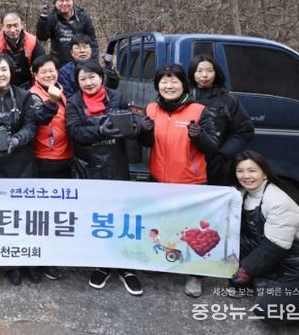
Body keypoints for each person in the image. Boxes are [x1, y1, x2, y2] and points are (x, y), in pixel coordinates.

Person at [137, 64, 219, 297]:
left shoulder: (199, 111)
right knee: (162, 227)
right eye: (164, 81)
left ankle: (195, 274)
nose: (168, 85)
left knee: (193, 232)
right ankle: (160, 261)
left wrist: (200, 136)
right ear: (157, 86)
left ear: (184, 84)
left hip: (190, 183)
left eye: (174, 81)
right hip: (158, 180)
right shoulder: (152, 108)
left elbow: (213, 147)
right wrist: (144, 131)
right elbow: (145, 143)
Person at [230, 151, 299, 335]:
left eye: (252, 170)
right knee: (231, 245)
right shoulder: (244, 195)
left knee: (267, 311)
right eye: (240, 171)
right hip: (274, 261)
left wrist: (245, 270)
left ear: (265, 173)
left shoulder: (278, 201)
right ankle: (257, 284)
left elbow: (274, 247)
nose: (245, 176)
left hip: (298, 269)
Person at [65, 60, 143, 296]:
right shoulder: (73, 102)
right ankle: (102, 264)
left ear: (101, 77)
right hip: (88, 167)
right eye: (83, 79)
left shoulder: (117, 97)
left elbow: (129, 122)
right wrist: (99, 131)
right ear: (77, 82)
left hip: (116, 164)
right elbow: (75, 132)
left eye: (92, 77)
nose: (88, 82)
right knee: (97, 217)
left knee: (120, 215)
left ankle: (126, 267)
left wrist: (135, 127)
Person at [0, 53, 37, 285]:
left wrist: (17, 140)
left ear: (11, 72)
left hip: (22, 163)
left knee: (24, 215)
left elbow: (31, 126)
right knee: (0, 216)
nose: (0, 74)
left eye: (4, 69)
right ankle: (8, 264)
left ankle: (27, 260)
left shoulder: (24, 96)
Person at [29, 55, 73, 282]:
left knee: (59, 213)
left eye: (52, 70)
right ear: (35, 74)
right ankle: (42, 259)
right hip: (45, 159)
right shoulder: (33, 95)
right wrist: (52, 102)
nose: (49, 74)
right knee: (43, 214)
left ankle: (54, 253)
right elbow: (39, 119)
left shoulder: (59, 90)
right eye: (43, 71)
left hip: (65, 157)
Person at [188, 54, 255, 185]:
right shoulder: (184, 98)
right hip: (187, 165)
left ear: (216, 73)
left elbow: (244, 131)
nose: (204, 75)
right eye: (199, 71)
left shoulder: (227, 100)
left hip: (217, 167)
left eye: (209, 70)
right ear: (192, 73)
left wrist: (223, 155)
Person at [36, 0, 99, 66]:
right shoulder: (52, 18)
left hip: (81, 63)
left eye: (67, 0)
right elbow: (42, 37)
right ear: (55, 3)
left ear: (73, 1)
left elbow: (93, 41)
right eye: (61, 0)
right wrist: (43, 20)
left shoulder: (83, 17)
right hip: (59, 64)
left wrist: (93, 62)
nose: (64, 3)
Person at [0, 11, 45, 88]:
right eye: (8, 26)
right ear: (2, 27)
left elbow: (41, 65)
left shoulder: (32, 41)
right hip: (2, 82)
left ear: (22, 24)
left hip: (27, 82)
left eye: (16, 25)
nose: (13, 30)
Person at [59, 33, 94, 97]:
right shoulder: (64, 72)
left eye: (85, 47)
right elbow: (68, 96)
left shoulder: (98, 68)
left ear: (91, 51)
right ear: (72, 53)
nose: (82, 51)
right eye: (77, 48)